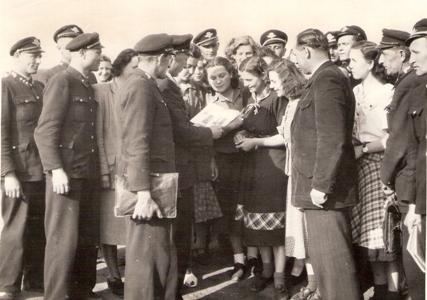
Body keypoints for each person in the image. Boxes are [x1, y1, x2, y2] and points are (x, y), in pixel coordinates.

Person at [291, 28, 360, 300]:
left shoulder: (327, 79)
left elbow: (332, 138)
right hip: (318, 189)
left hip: (324, 191)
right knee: (325, 264)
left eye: (296, 54)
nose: (295, 60)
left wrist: (320, 185)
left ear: (306, 51)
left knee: (335, 269)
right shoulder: (324, 77)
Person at [34, 32, 103, 300]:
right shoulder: (62, 80)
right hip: (67, 174)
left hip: (87, 172)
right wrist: (56, 169)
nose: (100, 57)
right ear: (83, 53)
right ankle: (56, 295)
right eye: (97, 52)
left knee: (86, 239)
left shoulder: (87, 82)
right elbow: (45, 131)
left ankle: (81, 293)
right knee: (62, 241)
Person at [157, 34, 222, 298]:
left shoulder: (167, 85)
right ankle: (172, 293)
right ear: (170, 59)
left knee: (180, 236)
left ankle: (173, 291)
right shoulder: (168, 87)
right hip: (179, 170)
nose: (186, 66)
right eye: (183, 61)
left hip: (182, 168)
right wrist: (211, 132)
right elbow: (181, 131)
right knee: (178, 237)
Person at [115, 33, 177, 300]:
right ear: (162, 58)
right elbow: (136, 143)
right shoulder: (141, 87)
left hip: (155, 183)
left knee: (158, 256)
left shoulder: (145, 84)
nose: (170, 64)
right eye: (169, 59)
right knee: (148, 260)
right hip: (150, 187)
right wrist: (143, 194)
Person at [234, 56, 288, 299]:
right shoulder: (250, 98)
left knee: (275, 224)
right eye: (243, 80)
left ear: (263, 76)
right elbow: (250, 126)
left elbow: (285, 136)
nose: (247, 84)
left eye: (250, 79)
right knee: (258, 223)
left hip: (273, 166)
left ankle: (279, 277)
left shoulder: (278, 99)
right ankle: (265, 271)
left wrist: (255, 141)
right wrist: (243, 134)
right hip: (252, 166)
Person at [348, 41, 399, 300]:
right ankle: (379, 288)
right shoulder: (355, 91)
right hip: (359, 167)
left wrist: (364, 149)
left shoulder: (386, 92)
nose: (349, 66)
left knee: (384, 233)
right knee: (368, 234)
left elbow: (390, 139)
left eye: (354, 61)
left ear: (370, 63)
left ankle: (392, 291)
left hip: (378, 166)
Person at [381, 19, 427, 300]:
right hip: (417, 185)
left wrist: (387, 178)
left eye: (419, 52)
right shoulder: (417, 83)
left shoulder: (413, 84)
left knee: (418, 265)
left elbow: (402, 140)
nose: (413, 59)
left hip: (416, 188)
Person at [0, 37, 45, 300]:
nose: (37, 61)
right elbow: (2, 133)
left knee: (38, 227)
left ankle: (35, 280)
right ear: (17, 56)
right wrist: (8, 174)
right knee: (16, 228)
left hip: (39, 169)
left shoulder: (38, 87)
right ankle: (7, 285)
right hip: (19, 171)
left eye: (39, 56)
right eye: (32, 56)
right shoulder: (6, 86)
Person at [93, 48, 138, 298]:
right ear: (120, 68)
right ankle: (113, 275)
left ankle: (133, 274)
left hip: (134, 169)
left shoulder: (139, 89)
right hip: (110, 169)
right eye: (133, 67)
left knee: (132, 225)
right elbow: (98, 134)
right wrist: (102, 169)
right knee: (108, 227)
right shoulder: (100, 91)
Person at [174, 44, 223, 266]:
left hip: (199, 153)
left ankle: (200, 247)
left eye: (193, 66)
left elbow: (206, 122)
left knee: (201, 202)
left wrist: (211, 156)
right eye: (187, 66)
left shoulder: (200, 91)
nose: (189, 70)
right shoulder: (168, 86)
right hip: (179, 155)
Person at [204, 57, 252, 281]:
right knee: (232, 211)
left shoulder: (246, 94)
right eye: (212, 77)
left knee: (253, 205)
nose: (217, 81)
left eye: (221, 75)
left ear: (231, 74)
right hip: (224, 161)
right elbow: (206, 136)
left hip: (251, 158)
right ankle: (239, 259)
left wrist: (248, 134)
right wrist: (211, 160)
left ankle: (257, 256)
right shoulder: (210, 102)